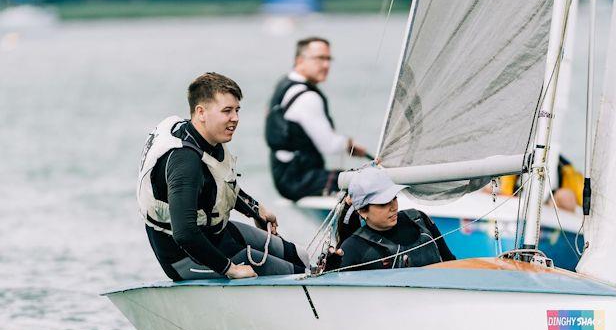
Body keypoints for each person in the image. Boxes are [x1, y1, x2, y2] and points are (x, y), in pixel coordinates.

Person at [137, 72, 308, 281]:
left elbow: (218, 183)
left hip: (217, 234)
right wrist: (230, 269)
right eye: (227, 111)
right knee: (296, 274)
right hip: (188, 258)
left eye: (237, 110)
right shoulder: (184, 162)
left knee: (301, 257)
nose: (235, 118)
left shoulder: (203, 137)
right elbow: (185, 234)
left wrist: (255, 210)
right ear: (201, 112)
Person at [265, 36, 370, 201]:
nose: (326, 65)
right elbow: (329, 145)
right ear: (300, 60)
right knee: (370, 180)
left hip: (283, 176)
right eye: (320, 59)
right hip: (300, 180)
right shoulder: (307, 97)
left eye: (329, 59)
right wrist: (349, 144)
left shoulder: (283, 84)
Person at [327, 168, 456, 271]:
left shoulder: (418, 219)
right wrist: (331, 269)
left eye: (394, 198)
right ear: (362, 211)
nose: (393, 207)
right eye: (383, 203)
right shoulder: (352, 248)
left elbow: (451, 262)